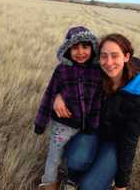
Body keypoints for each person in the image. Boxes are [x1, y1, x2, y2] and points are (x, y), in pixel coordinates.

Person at [53, 33, 140, 190]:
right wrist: (59, 95)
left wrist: (121, 184)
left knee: (90, 186)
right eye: (104, 56)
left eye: (115, 56)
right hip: (93, 129)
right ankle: (72, 178)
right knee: (76, 160)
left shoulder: (137, 93)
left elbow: (130, 142)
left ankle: (107, 174)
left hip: (116, 141)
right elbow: (69, 80)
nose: (109, 63)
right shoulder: (95, 72)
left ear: (126, 57)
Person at [34, 26, 103, 190]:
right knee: (54, 155)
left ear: (92, 48)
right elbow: (49, 94)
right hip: (62, 125)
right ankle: (49, 182)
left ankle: (72, 180)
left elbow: (98, 102)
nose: (80, 52)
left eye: (85, 47)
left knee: (79, 156)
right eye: (75, 47)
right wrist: (40, 122)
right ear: (67, 49)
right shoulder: (62, 70)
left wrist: (93, 125)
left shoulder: (97, 71)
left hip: (85, 127)